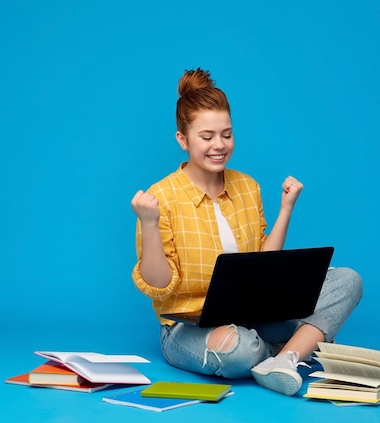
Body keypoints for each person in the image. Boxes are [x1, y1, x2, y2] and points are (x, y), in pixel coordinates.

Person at [131, 68, 362, 396]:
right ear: (183, 140)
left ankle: (286, 358)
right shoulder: (162, 198)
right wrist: (149, 224)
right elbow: (157, 285)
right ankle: (299, 347)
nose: (219, 145)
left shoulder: (247, 187)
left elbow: (265, 270)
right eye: (206, 136)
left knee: (347, 280)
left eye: (226, 134)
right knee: (241, 350)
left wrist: (286, 210)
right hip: (188, 327)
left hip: (253, 315)